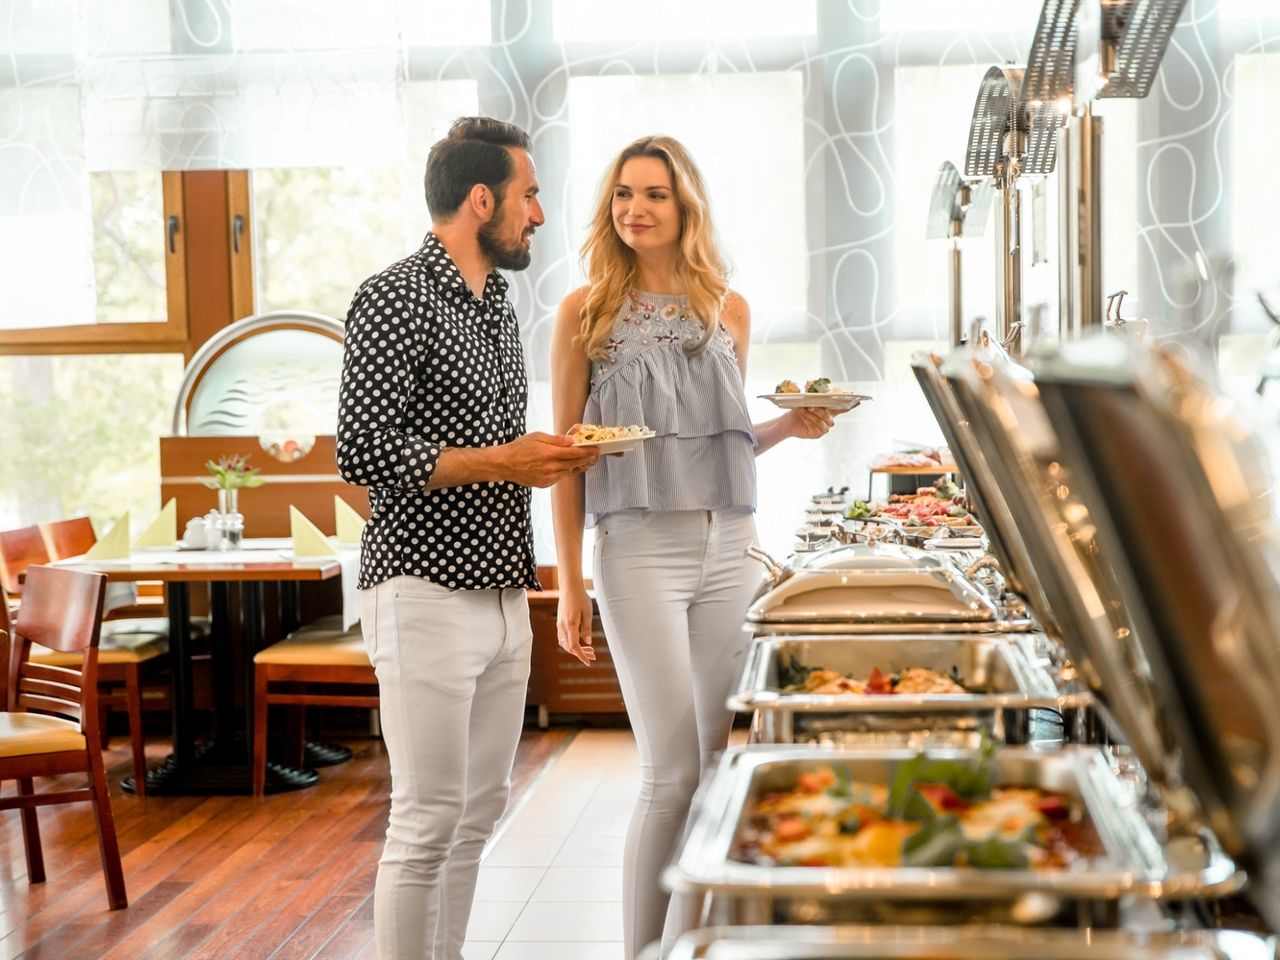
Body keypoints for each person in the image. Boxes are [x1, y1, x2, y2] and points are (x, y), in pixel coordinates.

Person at [549, 135, 843, 959]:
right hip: (636, 547)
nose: (634, 209)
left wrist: (792, 423)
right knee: (669, 772)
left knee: (720, 768)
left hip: (731, 546)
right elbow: (570, 460)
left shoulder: (728, 308)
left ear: (686, 208)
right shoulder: (584, 312)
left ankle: (692, 945)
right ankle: (643, 951)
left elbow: (724, 439)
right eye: (622, 195)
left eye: (653, 194)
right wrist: (571, 584)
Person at [337, 116, 599, 960]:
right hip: (420, 589)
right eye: (528, 196)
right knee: (424, 819)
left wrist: (540, 460)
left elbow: (496, 455)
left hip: (500, 592)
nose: (539, 216)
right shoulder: (392, 295)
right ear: (480, 199)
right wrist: (501, 461)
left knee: (478, 811)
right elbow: (362, 449)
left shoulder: (497, 302)